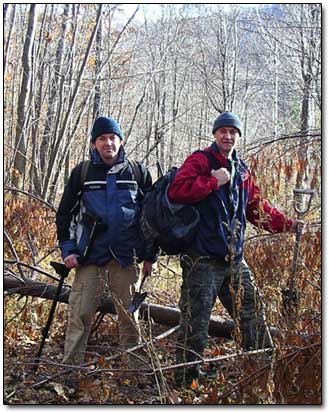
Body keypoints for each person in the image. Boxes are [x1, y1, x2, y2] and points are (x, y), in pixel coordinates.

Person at [167, 111, 305, 386]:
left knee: (252, 315)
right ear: (215, 134)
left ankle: (260, 371)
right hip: (202, 259)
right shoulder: (200, 161)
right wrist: (212, 181)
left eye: (233, 132)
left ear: (238, 136)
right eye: (223, 131)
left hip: (234, 260)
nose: (228, 136)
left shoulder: (241, 170)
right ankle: (185, 381)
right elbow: (177, 191)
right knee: (196, 325)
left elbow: (256, 209)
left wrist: (287, 225)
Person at [56, 116, 156, 367]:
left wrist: (149, 255)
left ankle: (135, 375)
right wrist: (68, 250)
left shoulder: (137, 171)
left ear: (121, 141)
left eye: (112, 138)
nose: (108, 143)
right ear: (94, 144)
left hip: (126, 257)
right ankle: (69, 372)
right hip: (90, 256)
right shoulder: (83, 173)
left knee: (129, 319)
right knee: (79, 315)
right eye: (102, 138)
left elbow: (152, 217)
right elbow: (64, 213)